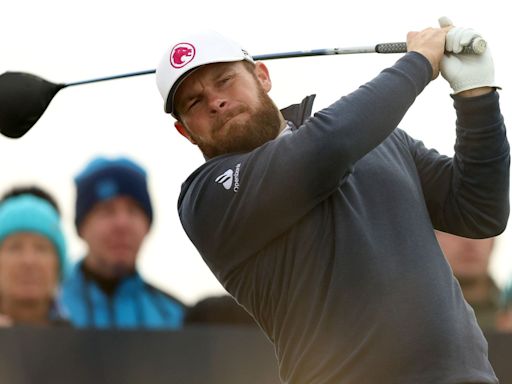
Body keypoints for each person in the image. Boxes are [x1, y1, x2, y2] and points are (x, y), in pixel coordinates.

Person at [155, 18, 508, 384]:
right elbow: (325, 149)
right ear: (185, 132)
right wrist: (418, 63)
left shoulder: (374, 138)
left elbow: (479, 210)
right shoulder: (206, 197)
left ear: (262, 76)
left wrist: (476, 96)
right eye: (194, 102)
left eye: (224, 80)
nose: (216, 101)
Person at [58, 156, 186, 329]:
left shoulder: (175, 316)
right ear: (81, 228)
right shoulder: (47, 310)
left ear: (147, 226)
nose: (122, 224)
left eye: (133, 211)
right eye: (107, 211)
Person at [0, 186, 69, 326]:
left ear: (59, 265)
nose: (29, 261)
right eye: (15, 248)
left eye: (42, 249)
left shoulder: (81, 341)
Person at [435, 230, 500, 330]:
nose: (469, 241)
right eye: (454, 228)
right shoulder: (409, 322)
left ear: (492, 243)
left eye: (480, 228)